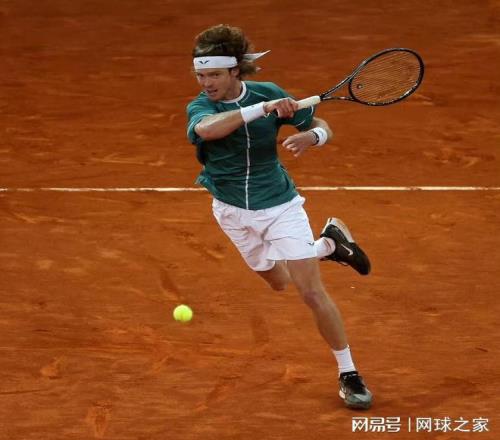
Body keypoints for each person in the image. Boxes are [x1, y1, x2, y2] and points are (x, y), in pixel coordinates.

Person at [186, 24, 372, 410]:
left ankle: (349, 373)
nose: (206, 83)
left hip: (279, 206)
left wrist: (313, 137)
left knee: (311, 291)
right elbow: (208, 130)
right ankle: (329, 245)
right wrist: (262, 110)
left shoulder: (269, 92)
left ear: (235, 71)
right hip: (231, 211)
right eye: (201, 76)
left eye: (214, 75)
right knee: (278, 281)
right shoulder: (202, 108)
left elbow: (319, 124)